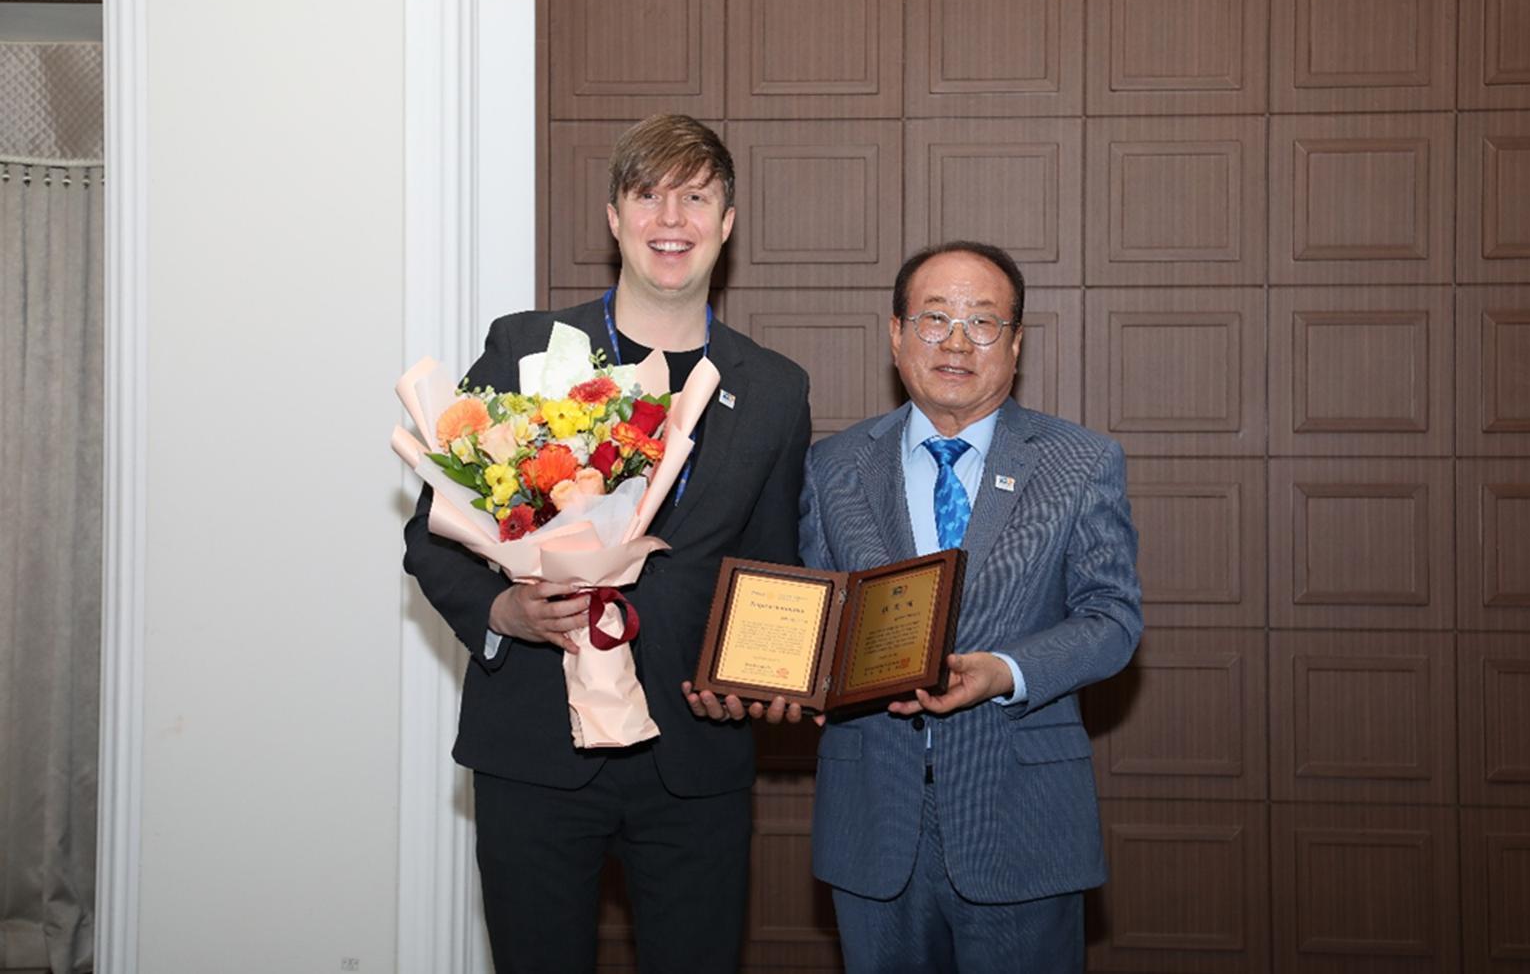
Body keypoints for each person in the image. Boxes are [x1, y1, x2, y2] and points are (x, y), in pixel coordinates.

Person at [402, 114, 811, 973]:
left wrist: (765, 678)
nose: (673, 218)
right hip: (535, 753)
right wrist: (504, 611)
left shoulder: (774, 389)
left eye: (696, 196)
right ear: (614, 218)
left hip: (694, 759)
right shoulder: (522, 350)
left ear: (727, 223)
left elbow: (771, 570)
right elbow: (432, 538)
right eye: (648, 194)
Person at [797, 241, 1142, 972]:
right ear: (895, 334)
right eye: (933, 318)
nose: (956, 341)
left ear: (1015, 343)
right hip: (873, 822)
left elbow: (1112, 620)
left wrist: (1004, 670)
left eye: (983, 322)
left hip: (1020, 818)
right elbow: (819, 623)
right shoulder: (833, 466)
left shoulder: (1080, 461)